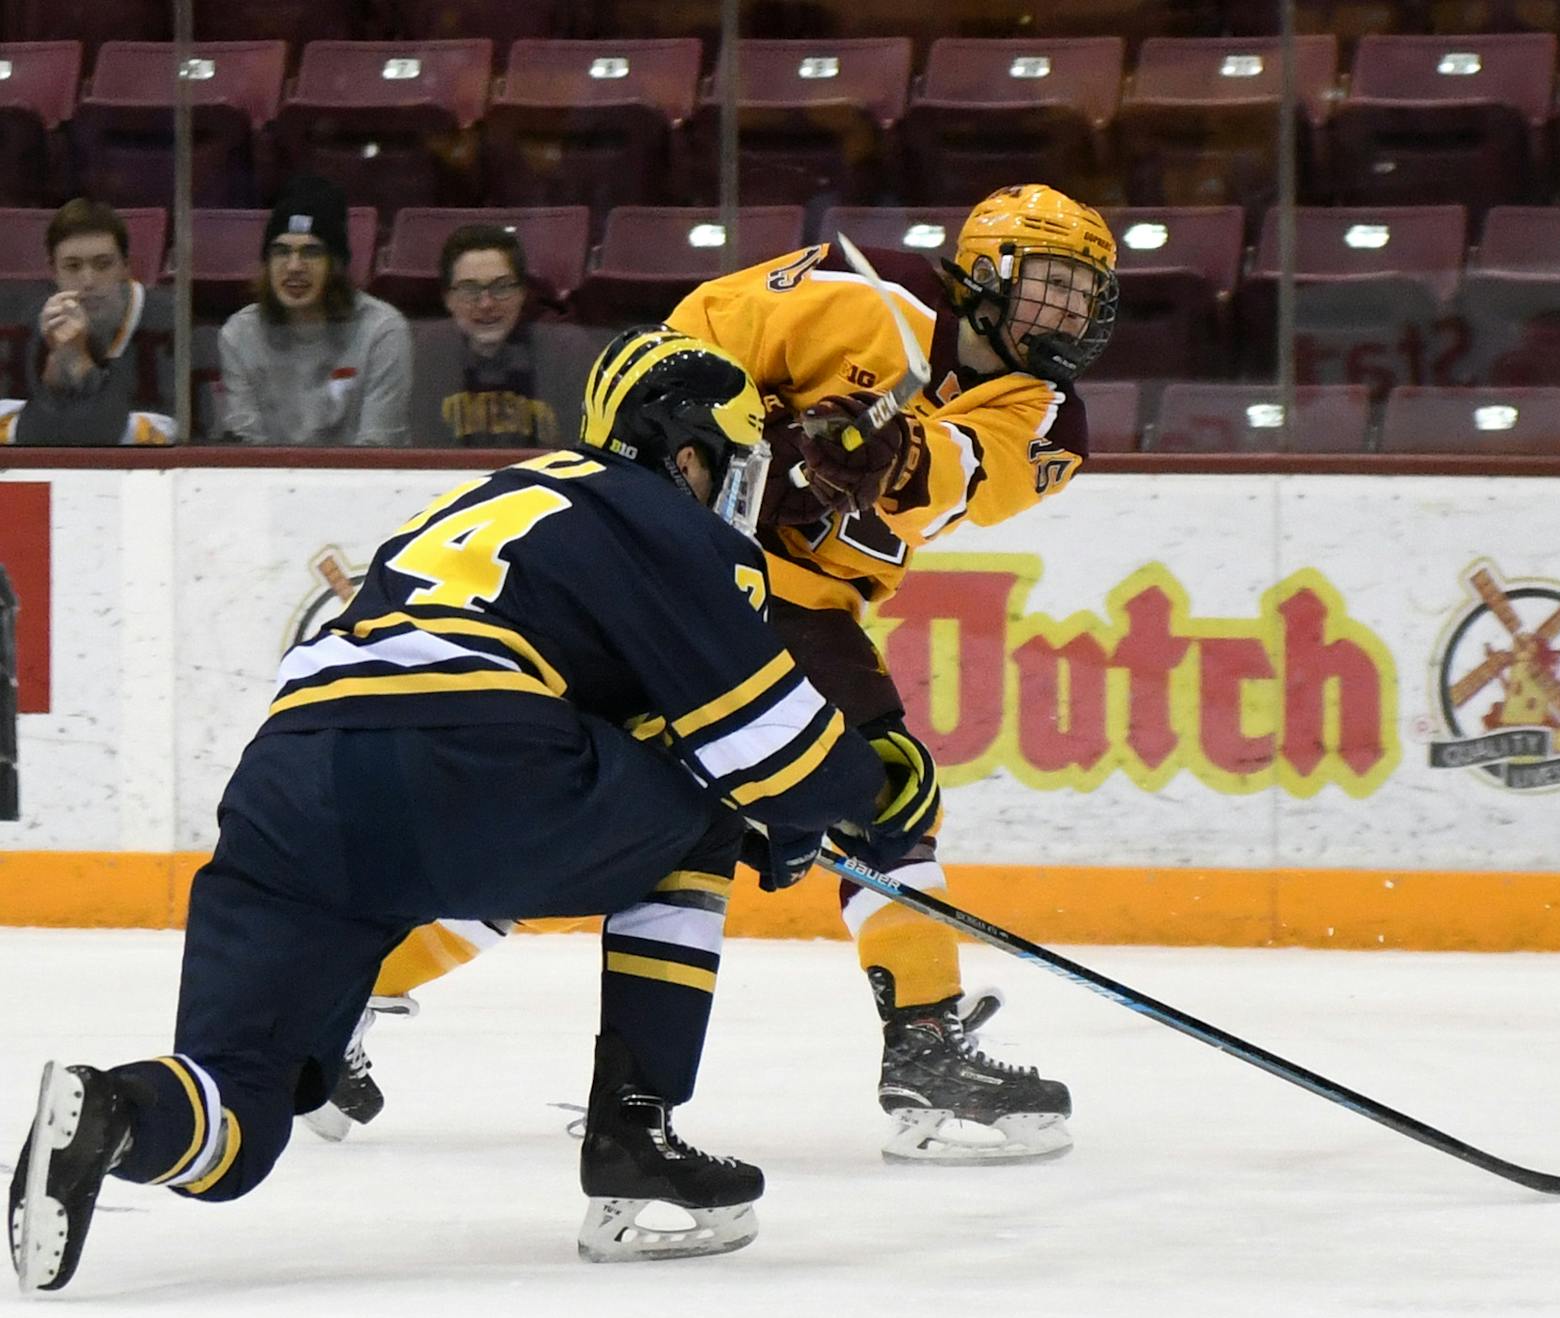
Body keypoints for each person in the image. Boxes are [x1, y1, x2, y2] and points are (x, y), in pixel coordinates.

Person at [8, 325, 942, 1293]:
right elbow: (766, 747)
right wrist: (863, 798)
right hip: (468, 757)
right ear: (691, 453)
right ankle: (636, 1134)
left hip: (287, 786)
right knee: (702, 812)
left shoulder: (482, 500)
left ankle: (111, 1110)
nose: (732, 502)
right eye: (731, 471)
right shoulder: (658, 515)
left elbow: (631, 723)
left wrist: (781, 814)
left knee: (241, 1118)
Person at [328, 183, 1119, 1165]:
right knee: (644, 826)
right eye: (1054, 288)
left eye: (1088, 296)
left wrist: (873, 449)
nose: (1075, 315)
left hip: (795, 605)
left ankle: (345, 993)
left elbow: (955, 470)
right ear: (988, 280)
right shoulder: (848, 309)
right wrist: (736, 435)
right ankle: (923, 1045)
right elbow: (667, 357)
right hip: (680, 573)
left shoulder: (1047, 418)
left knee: (829, 802)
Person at [216, 176, 413, 445]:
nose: (294, 266)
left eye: (311, 252)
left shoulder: (382, 331)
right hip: (270, 483)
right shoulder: (239, 334)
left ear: (336, 266)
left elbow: (378, 448)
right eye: (281, 251)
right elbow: (246, 444)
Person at [0, 199, 176, 445]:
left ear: (126, 266)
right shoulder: (30, 324)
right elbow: (14, 435)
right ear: (53, 270)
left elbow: (166, 436)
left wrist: (81, 366)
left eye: (103, 264)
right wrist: (56, 381)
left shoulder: (169, 323)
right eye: (72, 266)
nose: (88, 281)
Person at [409, 223, 581, 447]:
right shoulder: (430, 351)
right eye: (469, 289)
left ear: (522, 293)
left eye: (501, 287)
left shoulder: (567, 351)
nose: (486, 303)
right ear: (448, 299)